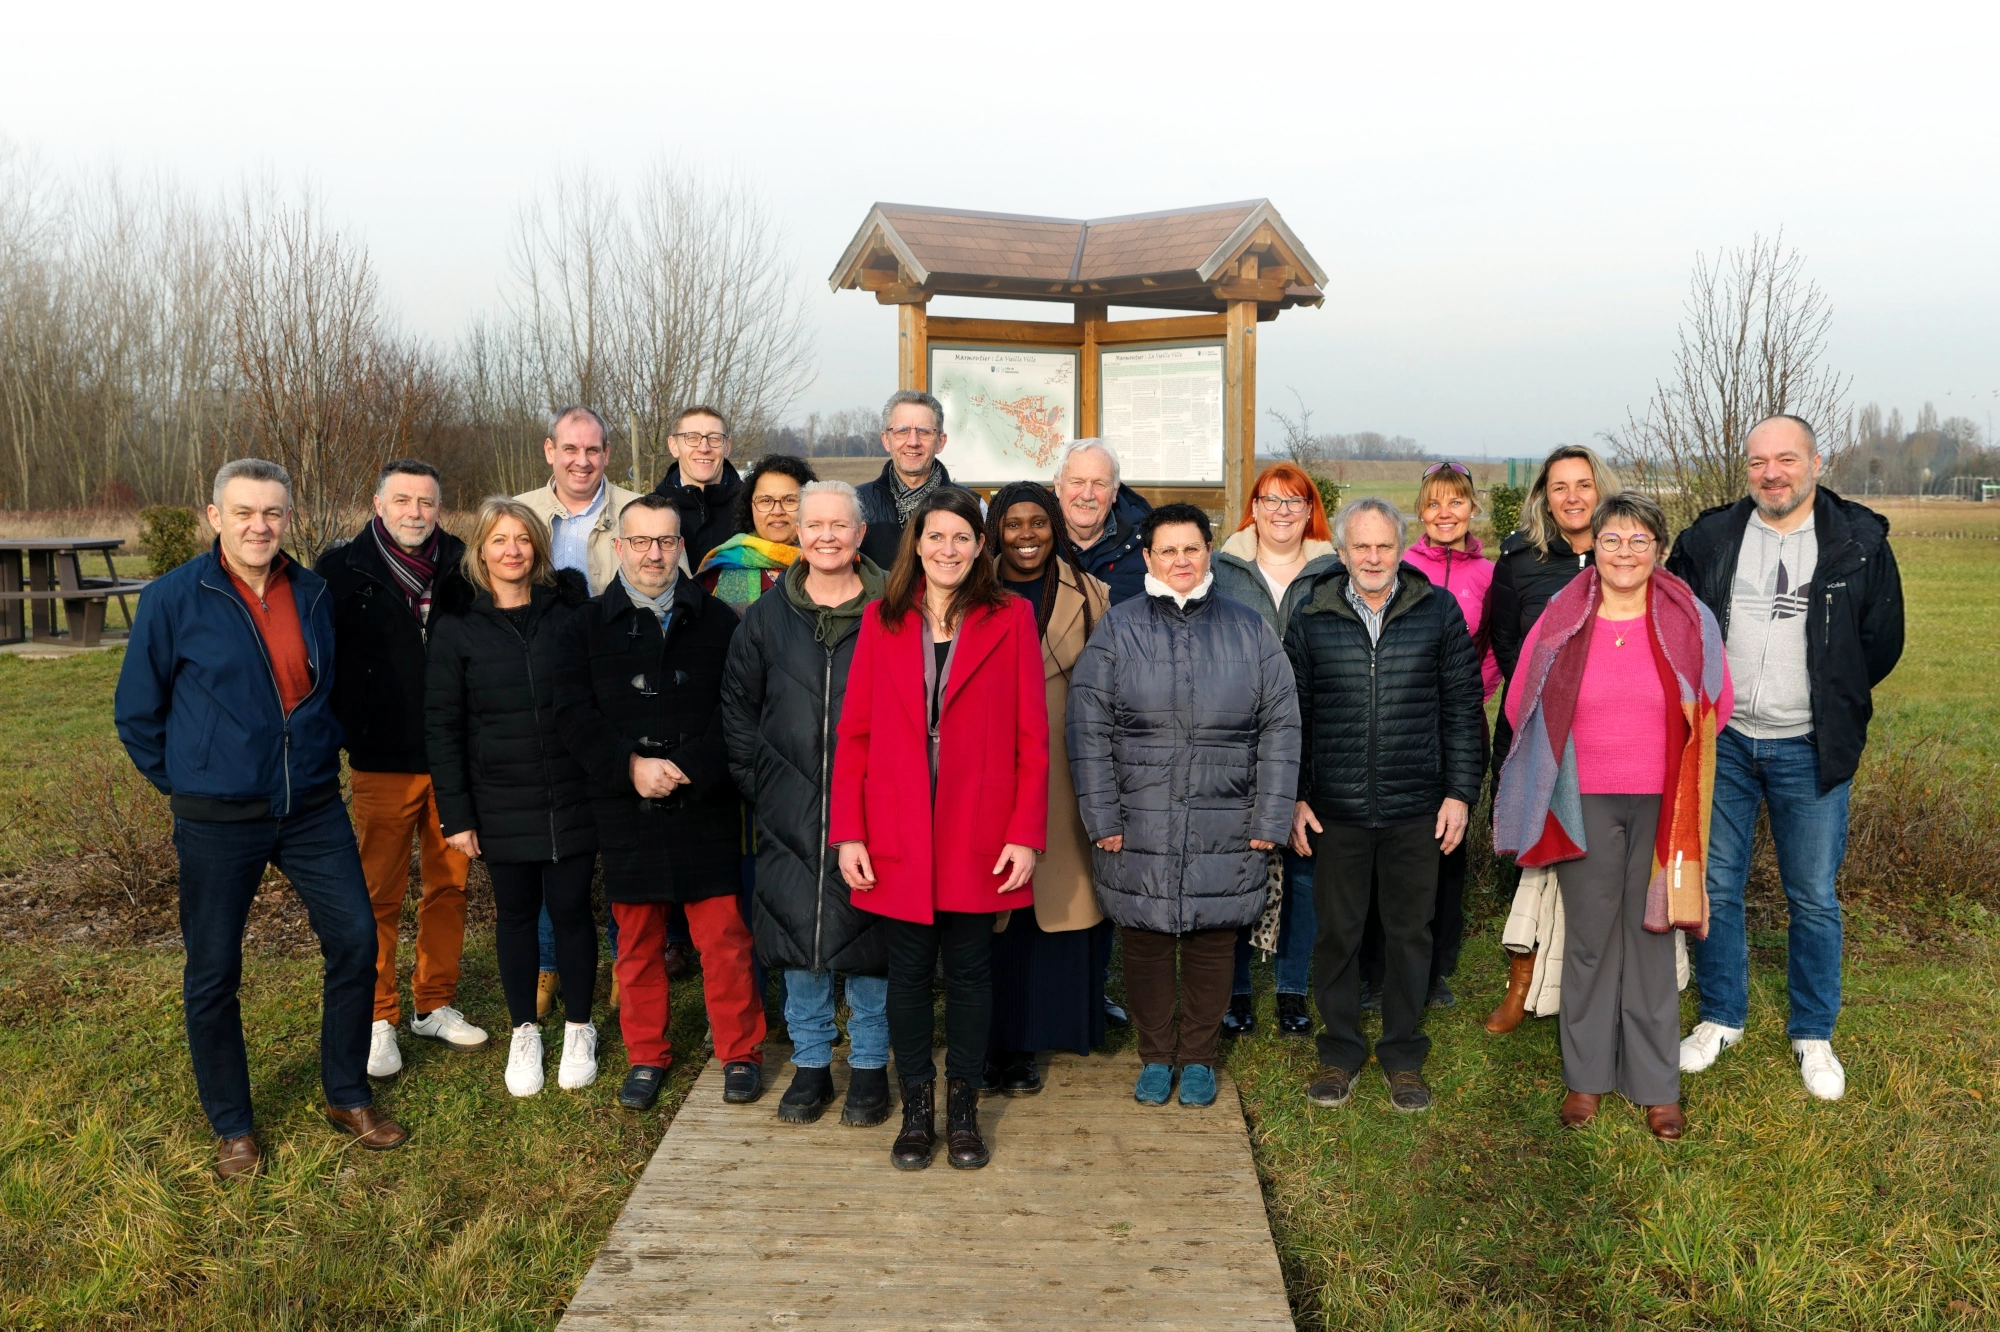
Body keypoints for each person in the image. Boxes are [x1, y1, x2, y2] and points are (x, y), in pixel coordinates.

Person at [117, 459, 401, 1179]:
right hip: (218, 818)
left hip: (308, 807)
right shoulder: (175, 598)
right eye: (243, 512)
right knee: (214, 970)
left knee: (355, 938)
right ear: (215, 516)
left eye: (271, 513)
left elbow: (323, 686)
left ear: (287, 517)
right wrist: (191, 784)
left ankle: (345, 1093)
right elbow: (136, 714)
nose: (259, 526)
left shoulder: (310, 591)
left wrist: (313, 756)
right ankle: (234, 1127)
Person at [1667, 414, 1903, 1102]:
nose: (1771, 473)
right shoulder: (1711, 536)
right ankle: (1721, 1015)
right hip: (1727, 742)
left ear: (1815, 463)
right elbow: (1678, 621)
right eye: (1758, 462)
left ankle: (1812, 1031)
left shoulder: (1859, 541)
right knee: (1716, 886)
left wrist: (1828, 699)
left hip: (1811, 745)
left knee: (1813, 896)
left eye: (1786, 460)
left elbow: (1881, 642)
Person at [1496, 493, 1732, 1140]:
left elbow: (1718, 704)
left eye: (1638, 540)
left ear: (1658, 547)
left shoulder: (1688, 616)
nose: (1624, 552)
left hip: (1665, 803)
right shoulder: (1563, 613)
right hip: (1583, 803)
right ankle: (1586, 1079)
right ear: (1592, 547)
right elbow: (1523, 701)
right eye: (1611, 540)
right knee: (1592, 940)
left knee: (1654, 936)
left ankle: (1657, 1086)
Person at [831, 488, 1047, 1171]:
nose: (948, 549)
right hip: (895, 822)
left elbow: (1031, 738)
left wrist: (1025, 833)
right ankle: (916, 1110)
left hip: (977, 824)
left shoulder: (1011, 618)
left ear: (981, 546)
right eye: (936, 537)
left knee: (974, 973)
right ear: (916, 545)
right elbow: (856, 734)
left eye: (961, 537)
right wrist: (850, 833)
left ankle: (964, 1112)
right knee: (909, 975)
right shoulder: (881, 619)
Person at [1068, 502, 1300, 1108]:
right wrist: (1103, 817)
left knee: (1211, 941)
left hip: (1228, 817)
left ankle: (1197, 1056)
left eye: (1190, 549)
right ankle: (1154, 1054)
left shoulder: (1249, 629)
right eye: (1166, 550)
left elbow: (1280, 728)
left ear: (1209, 555)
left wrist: (1270, 818)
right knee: (1143, 942)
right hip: (1137, 820)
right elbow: (1087, 729)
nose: (1179, 561)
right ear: (1147, 557)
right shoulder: (1118, 630)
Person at [555, 494, 767, 1112]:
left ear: (681, 547)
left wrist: (689, 768)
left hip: (704, 801)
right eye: (641, 542)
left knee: (724, 940)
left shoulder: (720, 621)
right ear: (619, 548)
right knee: (637, 941)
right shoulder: (585, 627)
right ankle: (646, 1055)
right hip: (626, 806)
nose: (654, 554)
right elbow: (572, 714)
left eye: (666, 542)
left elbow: (740, 710)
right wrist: (630, 767)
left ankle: (739, 1051)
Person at [1287, 497, 1484, 1115]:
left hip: (1415, 808)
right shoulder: (1312, 616)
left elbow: (1461, 709)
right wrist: (1293, 795)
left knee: (1408, 935)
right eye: (1360, 547)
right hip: (1336, 809)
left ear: (1402, 549)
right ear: (1341, 552)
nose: (1373, 558)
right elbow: (1292, 715)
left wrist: (1458, 793)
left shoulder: (1438, 610)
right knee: (1338, 935)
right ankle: (1339, 1050)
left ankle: (1403, 1054)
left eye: (1384, 546)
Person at [721, 481, 893, 1126]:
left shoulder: (893, 609)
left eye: (838, 526)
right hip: (787, 802)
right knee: (797, 936)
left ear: (859, 534)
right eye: (813, 524)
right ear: (797, 532)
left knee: (870, 938)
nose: (826, 536)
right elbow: (737, 707)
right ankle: (814, 1064)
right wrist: (761, 782)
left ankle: (872, 1067)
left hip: (875, 804)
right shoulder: (766, 616)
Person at [318, 459, 486, 1081]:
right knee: (377, 892)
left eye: (427, 502)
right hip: (381, 758)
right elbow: (322, 661)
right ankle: (377, 1014)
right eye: (403, 500)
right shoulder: (342, 570)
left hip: (453, 758)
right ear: (378, 502)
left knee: (449, 886)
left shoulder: (464, 565)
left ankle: (434, 1002)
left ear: (441, 507)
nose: (415, 512)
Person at [425, 497, 598, 1099]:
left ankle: (580, 1025)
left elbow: (595, 701)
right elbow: (443, 726)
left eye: (522, 539)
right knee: (517, 917)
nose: (512, 550)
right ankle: (525, 1029)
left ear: (538, 549)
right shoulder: (458, 629)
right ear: (481, 551)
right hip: (500, 799)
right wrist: (457, 815)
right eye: (499, 540)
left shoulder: (568, 616)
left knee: (574, 912)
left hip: (573, 793)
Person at [1356, 462, 1505, 1014]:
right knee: (1386, 845)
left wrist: (1469, 693)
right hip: (1400, 724)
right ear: (1420, 512)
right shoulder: (1400, 563)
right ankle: (1376, 966)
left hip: (1459, 724)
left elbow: (1492, 644)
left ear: (1472, 509)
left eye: (1457, 503)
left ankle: (1436, 967)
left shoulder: (1488, 575)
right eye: (1435, 504)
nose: (1446, 514)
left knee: (1447, 850)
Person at [1482, 443, 1621, 1034]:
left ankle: (1595, 989)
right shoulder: (1520, 561)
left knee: (1608, 863)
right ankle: (1523, 982)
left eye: (1583, 484)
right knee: (1538, 860)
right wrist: (1547, 703)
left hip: (1613, 736)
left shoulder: (1628, 553)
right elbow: (1508, 643)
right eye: (1559, 486)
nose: (1572, 497)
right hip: (1540, 730)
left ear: (1602, 489)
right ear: (1543, 495)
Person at [982, 481, 1114, 1094]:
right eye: (1013, 524)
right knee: (997, 910)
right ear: (995, 530)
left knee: (1061, 900)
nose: (1027, 535)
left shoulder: (1091, 595)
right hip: (987, 766)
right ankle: (1000, 1040)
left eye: (1039, 523)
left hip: (1065, 767)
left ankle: (1061, 1026)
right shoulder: (969, 588)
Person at [514, 405, 641, 1014]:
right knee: (551, 838)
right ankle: (546, 963)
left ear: (607, 454)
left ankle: (624, 958)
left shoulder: (639, 513)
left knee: (617, 836)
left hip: (621, 694)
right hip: (541, 697)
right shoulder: (520, 516)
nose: (581, 461)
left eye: (593, 450)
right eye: (570, 449)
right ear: (549, 450)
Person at [1210, 462, 1339, 1042]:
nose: (1282, 512)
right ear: (1253, 508)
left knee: (1306, 863)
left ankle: (1291, 989)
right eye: (1271, 500)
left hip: (1317, 733)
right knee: (1238, 865)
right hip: (1237, 737)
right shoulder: (1222, 571)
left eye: (1295, 502)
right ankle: (1235, 991)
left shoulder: (1332, 574)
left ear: (1310, 511)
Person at [856, 389, 971, 570]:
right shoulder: (857, 504)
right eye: (902, 431)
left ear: (940, 441)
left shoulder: (972, 505)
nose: (913, 441)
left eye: (924, 432)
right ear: (886, 440)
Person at [697, 453, 816, 615]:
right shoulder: (720, 570)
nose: (777, 511)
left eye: (789, 500)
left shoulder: (830, 564)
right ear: (750, 506)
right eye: (766, 501)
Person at [1053, 437, 1153, 606]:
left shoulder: (1148, 542)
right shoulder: (1033, 541)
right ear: (1058, 486)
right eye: (1077, 482)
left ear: (1114, 491)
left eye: (1099, 484)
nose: (1087, 495)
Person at [654, 403, 746, 571]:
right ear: (674, 446)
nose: (704, 448)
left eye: (715, 438)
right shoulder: (651, 509)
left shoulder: (752, 507)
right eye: (692, 437)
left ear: (727, 447)